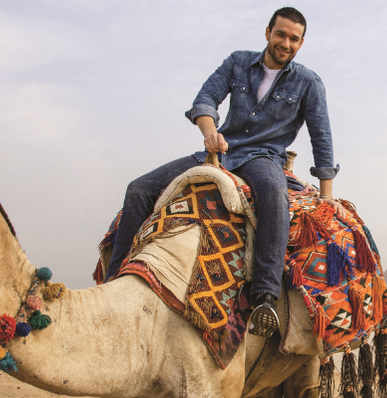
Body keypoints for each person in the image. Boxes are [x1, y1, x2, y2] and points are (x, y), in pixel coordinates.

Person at [105, 7, 347, 337]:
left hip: (264, 158)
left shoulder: (308, 83)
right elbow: (206, 98)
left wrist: (327, 193)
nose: (285, 43)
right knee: (139, 188)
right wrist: (209, 131)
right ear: (267, 33)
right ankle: (115, 281)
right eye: (280, 34)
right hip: (221, 149)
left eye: (293, 38)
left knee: (274, 196)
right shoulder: (237, 62)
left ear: (301, 43)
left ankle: (264, 295)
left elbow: (322, 136)